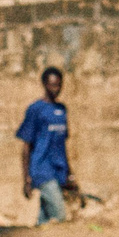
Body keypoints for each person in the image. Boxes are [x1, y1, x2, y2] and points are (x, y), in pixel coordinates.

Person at [17, 67, 70, 224]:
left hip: (58, 170)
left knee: (45, 220)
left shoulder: (62, 110)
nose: (56, 89)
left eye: (59, 85)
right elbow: (26, 146)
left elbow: (62, 145)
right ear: (44, 85)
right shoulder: (35, 110)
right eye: (52, 85)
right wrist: (26, 178)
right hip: (41, 170)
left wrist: (69, 174)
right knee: (59, 215)